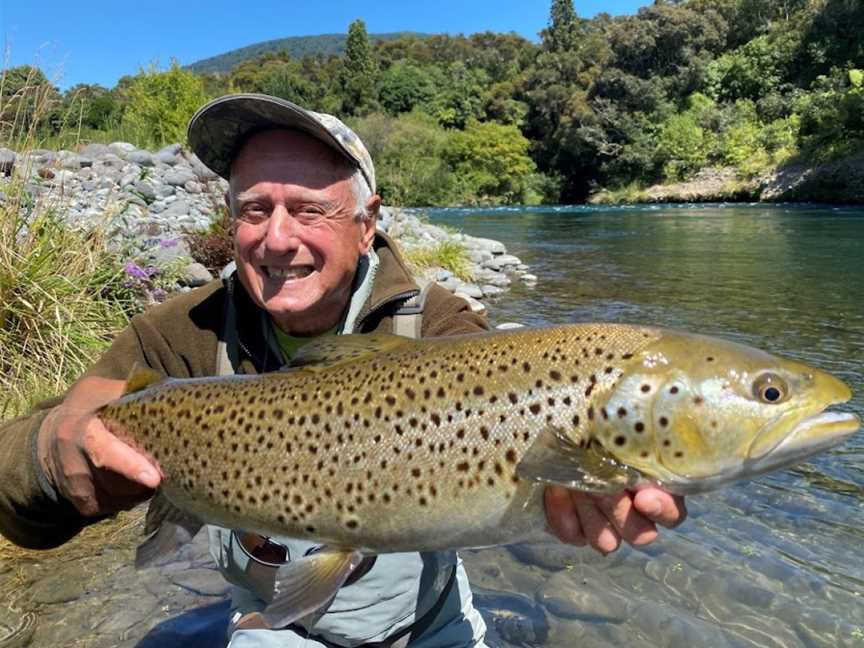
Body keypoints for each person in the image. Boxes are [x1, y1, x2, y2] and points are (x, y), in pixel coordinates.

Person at [0, 94, 686, 647]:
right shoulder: (178, 335)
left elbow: (532, 423)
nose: (276, 238)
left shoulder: (442, 331)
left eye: (308, 209)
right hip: (275, 626)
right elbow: (16, 504)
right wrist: (58, 460)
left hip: (428, 625)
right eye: (254, 210)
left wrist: (588, 486)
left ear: (367, 223)